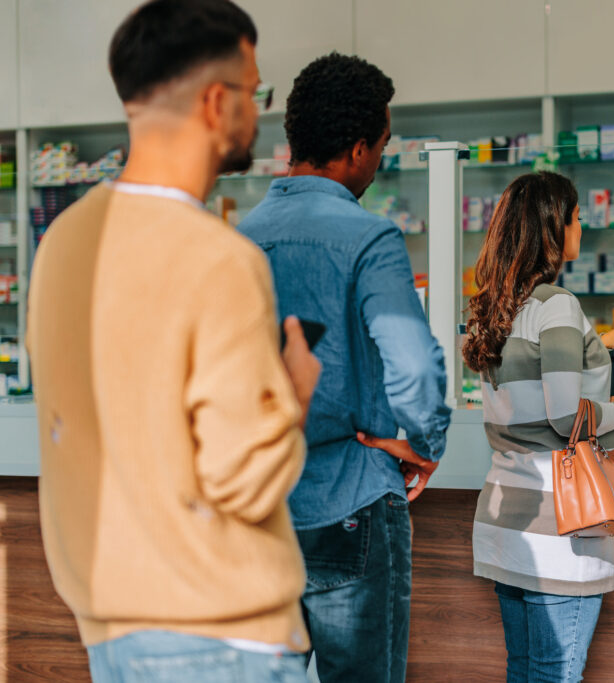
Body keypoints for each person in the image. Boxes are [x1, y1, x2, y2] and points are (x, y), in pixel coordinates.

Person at [25, 2, 321, 681]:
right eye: (255, 91)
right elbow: (242, 479)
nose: (258, 108)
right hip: (223, 633)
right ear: (217, 103)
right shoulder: (217, 258)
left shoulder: (64, 242)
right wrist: (292, 394)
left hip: (112, 626)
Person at [237, 53, 451, 683]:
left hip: (260, 507)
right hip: (350, 499)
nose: (378, 161)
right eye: (381, 146)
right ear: (359, 149)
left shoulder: (238, 240)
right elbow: (415, 366)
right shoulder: (367, 237)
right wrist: (423, 442)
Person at [464, 171, 614, 682]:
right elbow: (565, 417)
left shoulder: (494, 305)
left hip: (505, 525)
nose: (582, 227)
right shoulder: (557, 304)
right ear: (552, 228)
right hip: (558, 531)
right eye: (577, 218)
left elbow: (529, 385)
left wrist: (601, 343)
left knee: (524, 672)